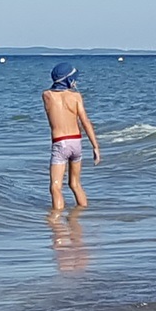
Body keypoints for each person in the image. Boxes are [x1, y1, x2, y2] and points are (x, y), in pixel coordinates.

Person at [42, 62, 102, 209]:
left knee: (55, 187)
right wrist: (95, 146)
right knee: (75, 183)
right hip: (76, 142)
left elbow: (55, 93)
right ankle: (83, 212)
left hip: (60, 143)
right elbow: (85, 121)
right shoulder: (76, 97)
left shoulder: (47, 95)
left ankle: (56, 218)